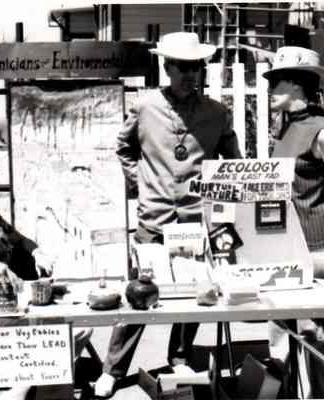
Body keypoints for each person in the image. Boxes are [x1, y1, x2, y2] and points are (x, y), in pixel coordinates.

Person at [94, 31, 242, 397]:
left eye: (195, 67)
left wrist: (220, 202)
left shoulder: (216, 112)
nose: (190, 74)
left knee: (195, 294)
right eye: (182, 67)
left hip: (196, 219)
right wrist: (141, 184)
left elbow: (232, 163)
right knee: (139, 294)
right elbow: (124, 147)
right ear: (167, 68)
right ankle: (113, 370)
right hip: (154, 217)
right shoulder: (145, 107)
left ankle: (179, 357)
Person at [263, 46, 324, 397]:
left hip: (314, 250)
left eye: (276, 82)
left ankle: (318, 395)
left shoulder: (323, 133)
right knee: (278, 329)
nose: (271, 90)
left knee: (310, 332)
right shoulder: (284, 128)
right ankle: (285, 393)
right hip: (280, 244)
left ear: (297, 85)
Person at [0, 150, 55, 400]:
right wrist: (2, 269)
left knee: (69, 328)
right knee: (56, 334)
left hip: (5, 292)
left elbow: (17, 238)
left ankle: (24, 384)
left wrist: (37, 252)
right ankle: (21, 388)